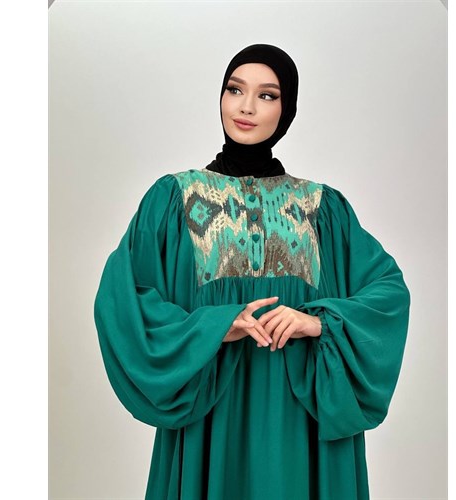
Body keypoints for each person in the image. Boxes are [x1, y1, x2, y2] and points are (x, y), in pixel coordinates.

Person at [94, 44, 410, 500]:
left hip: (299, 422)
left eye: (267, 95)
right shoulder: (173, 199)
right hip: (211, 420)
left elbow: (388, 294)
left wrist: (318, 321)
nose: (246, 107)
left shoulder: (322, 208)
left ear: (287, 109)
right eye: (235, 90)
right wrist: (212, 326)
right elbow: (124, 298)